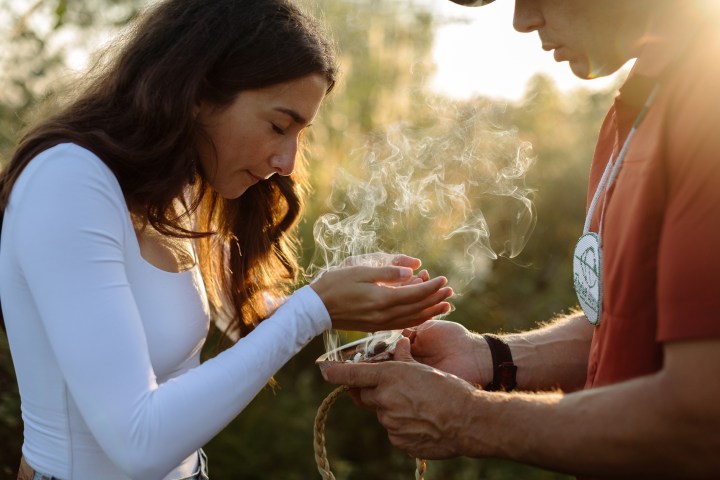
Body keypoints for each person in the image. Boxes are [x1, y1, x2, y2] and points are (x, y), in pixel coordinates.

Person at [0, 1, 455, 479]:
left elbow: (233, 318)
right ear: (198, 92)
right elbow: (137, 443)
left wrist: (358, 311)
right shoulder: (67, 182)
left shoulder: (175, 189)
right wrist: (311, 309)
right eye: (279, 126)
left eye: (300, 133)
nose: (287, 160)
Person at [322, 0, 720, 477]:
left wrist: (466, 418)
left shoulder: (706, 109)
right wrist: (490, 358)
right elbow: (627, 324)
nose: (522, 20)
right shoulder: (636, 109)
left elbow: (702, 419)